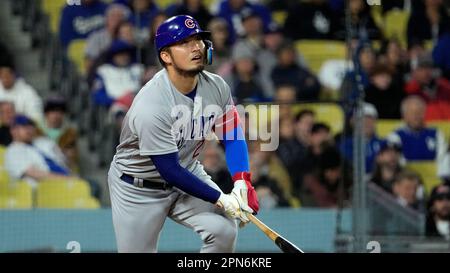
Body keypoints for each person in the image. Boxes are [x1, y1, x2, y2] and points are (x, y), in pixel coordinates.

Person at [107, 15, 259, 253]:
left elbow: (232, 135)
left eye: (198, 39)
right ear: (166, 56)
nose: (196, 47)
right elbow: (168, 170)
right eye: (185, 42)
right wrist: (220, 198)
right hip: (138, 187)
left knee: (224, 231)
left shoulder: (217, 86)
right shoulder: (152, 103)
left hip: (187, 170)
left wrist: (241, 181)